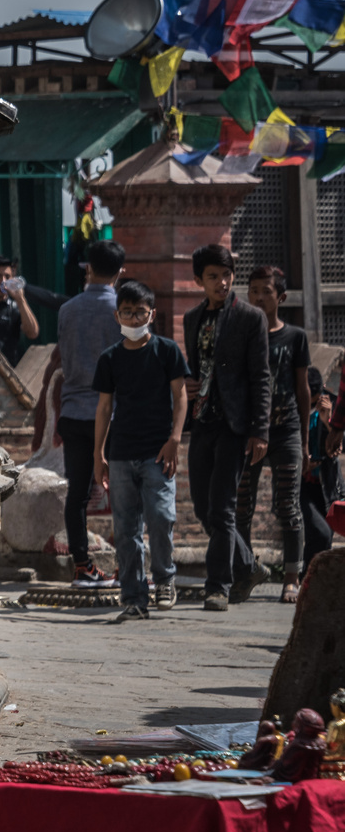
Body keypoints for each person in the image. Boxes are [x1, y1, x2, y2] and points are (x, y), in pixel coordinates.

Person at [93, 280, 189, 621]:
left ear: (152, 313)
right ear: (118, 314)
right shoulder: (110, 359)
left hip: (158, 451)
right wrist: (98, 456)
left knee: (161, 518)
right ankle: (133, 596)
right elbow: (104, 409)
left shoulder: (166, 351)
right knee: (126, 529)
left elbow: (180, 396)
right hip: (120, 453)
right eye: (128, 312)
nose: (134, 319)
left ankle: (165, 579)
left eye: (140, 312)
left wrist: (175, 439)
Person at [183, 244, 271, 612]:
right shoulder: (192, 319)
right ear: (199, 280)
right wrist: (189, 384)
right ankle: (249, 566)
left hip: (235, 426)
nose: (222, 282)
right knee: (203, 508)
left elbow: (261, 377)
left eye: (227, 274)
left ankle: (218, 585)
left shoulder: (250, 318)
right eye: (213, 276)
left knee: (222, 509)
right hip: (201, 422)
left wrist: (260, 430)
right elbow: (196, 365)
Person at [234, 266, 310, 603]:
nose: (259, 297)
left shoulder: (294, 337)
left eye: (266, 291)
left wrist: (306, 442)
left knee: (287, 507)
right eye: (253, 291)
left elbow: (302, 389)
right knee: (241, 508)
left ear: (281, 297)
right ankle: (246, 571)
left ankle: (292, 577)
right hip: (249, 435)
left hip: (286, 431)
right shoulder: (241, 336)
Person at [57, 239, 126, 588]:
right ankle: (128, 565)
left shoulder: (67, 310)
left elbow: (62, 363)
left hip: (74, 411)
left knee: (78, 495)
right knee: (126, 491)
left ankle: (82, 566)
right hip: (114, 415)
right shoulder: (123, 310)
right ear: (121, 272)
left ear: (88, 268)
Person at [301, 367, 341, 575]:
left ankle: (310, 577)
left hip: (326, 484)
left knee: (320, 536)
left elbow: (338, 447)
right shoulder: (296, 408)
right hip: (302, 484)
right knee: (320, 531)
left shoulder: (334, 408)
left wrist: (328, 421)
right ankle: (310, 577)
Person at [0, 258, 40, 366]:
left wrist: (21, 300)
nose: (3, 281)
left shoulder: (15, 307)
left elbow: (33, 333)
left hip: (7, 373)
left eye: (7, 277)